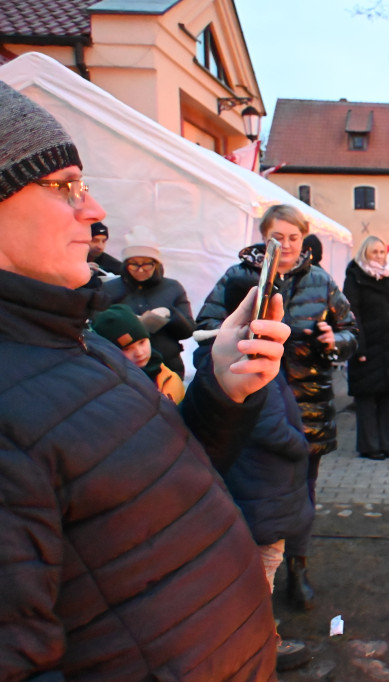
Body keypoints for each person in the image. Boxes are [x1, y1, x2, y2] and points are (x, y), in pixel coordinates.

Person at [0, 80, 290, 679]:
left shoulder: (73, 338)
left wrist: (223, 388)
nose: (94, 209)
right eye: (62, 187)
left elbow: (153, 484)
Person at [196, 203, 358, 611]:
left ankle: (297, 568)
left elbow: (352, 331)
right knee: (252, 491)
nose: (286, 246)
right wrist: (238, 340)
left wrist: (331, 340)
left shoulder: (321, 280)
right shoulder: (239, 277)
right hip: (254, 407)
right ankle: (247, 570)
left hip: (308, 406)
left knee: (302, 492)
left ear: (303, 240)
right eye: (278, 237)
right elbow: (204, 331)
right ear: (263, 236)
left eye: (294, 238)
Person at [195, 280, 316, 672]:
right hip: (263, 488)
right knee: (260, 571)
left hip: (259, 487)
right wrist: (301, 444)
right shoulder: (242, 360)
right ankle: (260, 643)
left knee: (259, 566)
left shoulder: (241, 356)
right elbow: (267, 423)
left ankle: (259, 638)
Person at [345, 235, 389, 460]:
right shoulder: (355, 277)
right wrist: (359, 348)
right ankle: (369, 446)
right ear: (365, 253)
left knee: (387, 398)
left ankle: (386, 444)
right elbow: (352, 315)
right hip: (367, 347)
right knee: (367, 398)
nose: (378, 255)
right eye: (374, 252)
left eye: (381, 252)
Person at [102, 239, 196, 378]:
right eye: (134, 265)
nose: (140, 270)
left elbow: (188, 330)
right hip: (126, 370)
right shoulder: (110, 289)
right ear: (125, 265)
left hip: (168, 367)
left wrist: (170, 314)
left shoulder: (172, 287)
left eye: (146, 264)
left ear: (156, 264)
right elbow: (99, 329)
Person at [92, 303, 185, 403]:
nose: (139, 353)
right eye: (127, 349)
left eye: (142, 342)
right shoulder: (109, 391)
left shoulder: (171, 378)